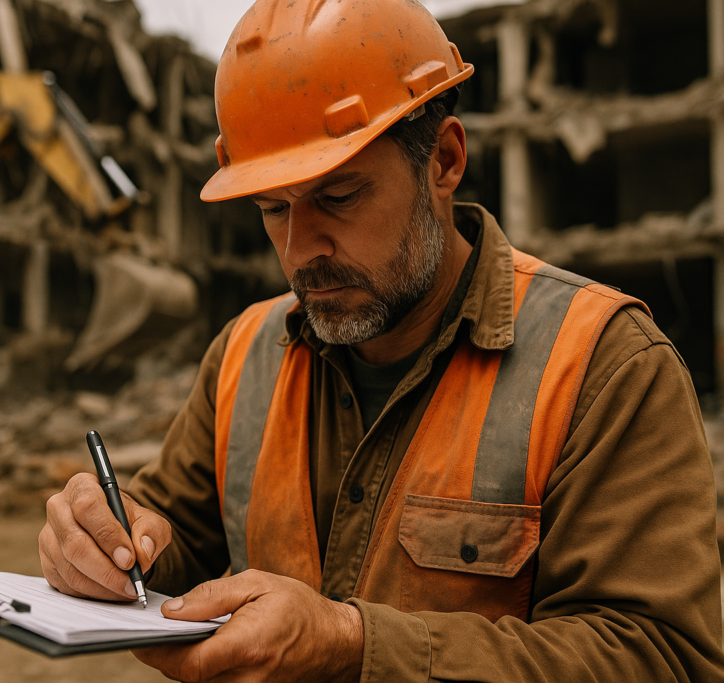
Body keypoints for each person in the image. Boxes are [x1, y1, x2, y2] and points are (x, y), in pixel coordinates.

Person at [38, 0, 724, 680]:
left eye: (337, 197)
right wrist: (114, 539)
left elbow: (659, 657)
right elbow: (173, 529)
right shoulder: (244, 355)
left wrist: (353, 646)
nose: (302, 249)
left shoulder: (605, 365)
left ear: (445, 161)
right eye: (274, 209)